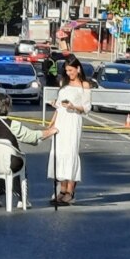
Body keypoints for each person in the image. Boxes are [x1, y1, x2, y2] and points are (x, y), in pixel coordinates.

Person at [0, 93, 58, 207]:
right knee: (16, 162)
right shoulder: (12, 125)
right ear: (8, 107)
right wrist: (49, 132)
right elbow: (31, 136)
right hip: (7, 165)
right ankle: (22, 199)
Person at [48, 57, 91, 205]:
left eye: (71, 70)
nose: (69, 73)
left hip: (73, 121)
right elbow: (59, 105)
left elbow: (86, 108)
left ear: (78, 69)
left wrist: (73, 106)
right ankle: (61, 189)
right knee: (59, 153)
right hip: (61, 120)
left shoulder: (84, 85)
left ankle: (70, 191)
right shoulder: (63, 83)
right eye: (66, 71)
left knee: (70, 154)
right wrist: (52, 120)